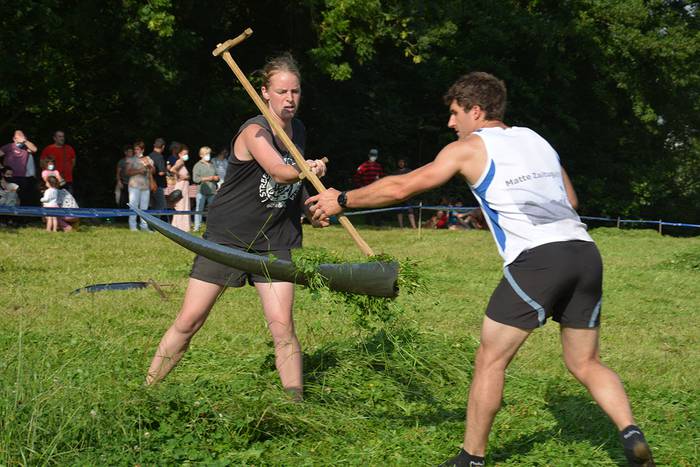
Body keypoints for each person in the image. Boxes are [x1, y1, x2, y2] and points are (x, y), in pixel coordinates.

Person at [307, 72, 654, 467]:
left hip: (539, 259)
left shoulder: (470, 148)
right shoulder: (536, 140)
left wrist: (343, 199)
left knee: (491, 360)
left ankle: (471, 458)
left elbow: (405, 186)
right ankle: (631, 433)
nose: (451, 123)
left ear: (477, 110)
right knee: (585, 362)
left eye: (456, 114)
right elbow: (570, 200)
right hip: (585, 253)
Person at [145, 54, 327, 403]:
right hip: (228, 237)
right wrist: (310, 168)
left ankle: (296, 403)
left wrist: (309, 208)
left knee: (283, 329)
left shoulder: (298, 130)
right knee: (190, 321)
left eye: (296, 91)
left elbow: (291, 187)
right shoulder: (254, 131)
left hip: (274, 239)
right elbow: (279, 170)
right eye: (282, 91)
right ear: (264, 93)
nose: (290, 99)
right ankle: (146, 391)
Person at [0, 130, 39, 207]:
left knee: (20, 199)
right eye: (19, 137)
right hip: (9, 177)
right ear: (14, 139)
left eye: (23, 137)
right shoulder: (9, 146)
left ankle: (17, 218)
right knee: (8, 198)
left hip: (22, 178)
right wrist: (1, 168)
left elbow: (35, 149)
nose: (22, 139)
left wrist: (25, 141)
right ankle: (7, 217)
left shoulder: (26, 148)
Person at [126, 140, 154, 232]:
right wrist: (139, 171)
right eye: (135, 149)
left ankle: (144, 226)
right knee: (133, 206)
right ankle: (133, 226)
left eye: (138, 149)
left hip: (145, 185)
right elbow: (127, 172)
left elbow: (153, 171)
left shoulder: (148, 158)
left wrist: (149, 165)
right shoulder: (131, 159)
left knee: (144, 207)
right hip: (134, 185)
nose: (136, 151)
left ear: (142, 150)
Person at [354, 148, 384, 225]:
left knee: (378, 205)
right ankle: (368, 223)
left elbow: (381, 177)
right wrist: (361, 187)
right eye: (372, 155)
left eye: (374, 156)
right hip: (366, 189)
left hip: (376, 189)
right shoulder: (363, 166)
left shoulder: (378, 166)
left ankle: (378, 223)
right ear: (369, 156)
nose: (373, 157)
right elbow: (357, 178)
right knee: (368, 205)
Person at [192, 146, 219, 231]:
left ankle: (212, 227)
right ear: (201, 155)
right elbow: (195, 179)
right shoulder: (197, 165)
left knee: (213, 210)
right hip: (201, 191)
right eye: (206, 154)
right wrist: (209, 178)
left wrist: (216, 178)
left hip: (212, 191)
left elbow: (217, 175)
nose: (208, 155)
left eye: (209, 153)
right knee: (199, 209)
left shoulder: (212, 165)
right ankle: (197, 227)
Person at [169, 144, 191, 232]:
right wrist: (180, 175)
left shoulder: (182, 162)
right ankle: (179, 226)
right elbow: (172, 170)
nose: (186, 155)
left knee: (184, 205)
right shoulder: (180, 161)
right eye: (184, 153)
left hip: (184, 185)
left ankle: (182, 226)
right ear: (180, 154)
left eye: (187, 153)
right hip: (181, 185)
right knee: (181, 205)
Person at [394, 159, 417, 228]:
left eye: (402, 162)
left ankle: (414, 227)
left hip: (407, 193)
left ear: (404, 163)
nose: (401, 163)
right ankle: (401, 227)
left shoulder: (409, 171)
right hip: (399, 193)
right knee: (399, 211)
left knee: (410, 210)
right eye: (399, 162)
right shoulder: (396, 172)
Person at [148, 137, 168, 214]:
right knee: (161, 205)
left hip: (150, 184)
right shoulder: (160, 157)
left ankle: (151, 222)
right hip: (158, 185)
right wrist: (167, 170)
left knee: (153, 205)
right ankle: (155, 223)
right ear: (163, 146)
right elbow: (161, 172)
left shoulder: (149, 156)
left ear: (154, 145)